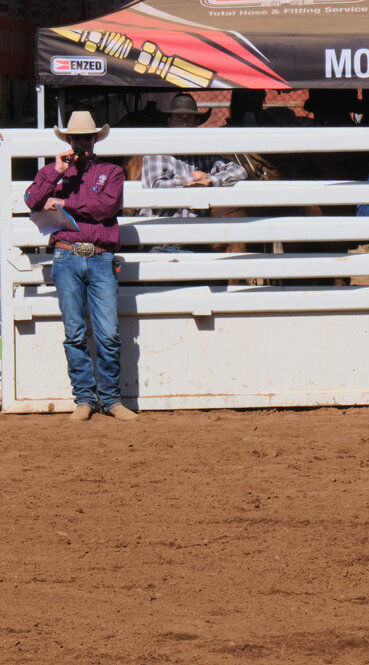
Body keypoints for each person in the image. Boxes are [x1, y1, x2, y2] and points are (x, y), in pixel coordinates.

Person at [23, 111, 136, 422]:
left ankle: (109, 398)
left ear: (94, 140)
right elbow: (32, 200)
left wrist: (61, 203)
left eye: (86, 138)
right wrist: (56, 171)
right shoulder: (54, 172)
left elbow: (106, 208)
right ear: (69, 141)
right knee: (75, 332)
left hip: (98, 256)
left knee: (108, 333)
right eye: (76, 139)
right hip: (68, 255)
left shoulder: (111, 171)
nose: (81, 143)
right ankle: (86, 398)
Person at [139, 93, 248, 225]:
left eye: (190, 118)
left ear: (197, 122)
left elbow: (239, 171)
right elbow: (157, 188)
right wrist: (196, 180)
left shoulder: (202, 153)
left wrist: (210, 180)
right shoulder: (157, 151)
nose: (185, 124)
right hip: (163, 232)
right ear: (170, 122)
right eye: (179, 117)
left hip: (198, 233)